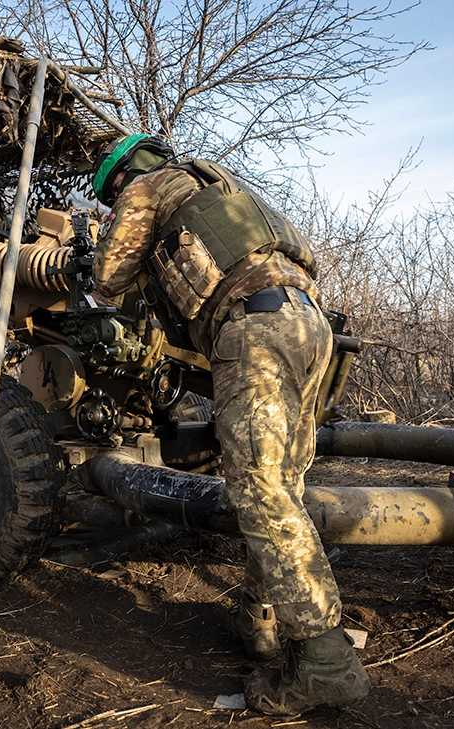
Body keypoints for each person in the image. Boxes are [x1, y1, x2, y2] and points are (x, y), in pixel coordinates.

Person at [90, 134, 369, 714]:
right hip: (309, 326)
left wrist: (92, 251)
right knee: (281, 489)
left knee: (260, 492)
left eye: (110, 195)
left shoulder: (146, 188)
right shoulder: (226, 191)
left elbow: (109, 278)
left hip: (252, 330)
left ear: (121, 178)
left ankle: (325, 661)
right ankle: (265, 624)